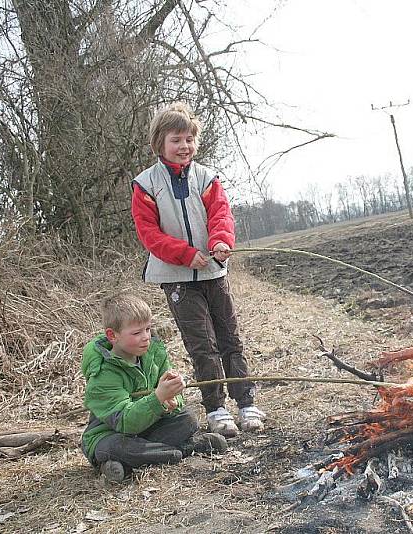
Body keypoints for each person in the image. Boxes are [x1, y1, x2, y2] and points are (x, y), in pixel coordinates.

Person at [130, 102, 265, 437]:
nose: (184, 146)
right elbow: (149, 233)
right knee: (202, 344)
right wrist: (185, 254)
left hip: (213, 271)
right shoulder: (145, 185)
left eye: (189, 139)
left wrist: (221, 241)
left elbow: (221, 214)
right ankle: (217, 408)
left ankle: (246, 402)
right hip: (178, 278)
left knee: (229, 338)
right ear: (160, 142)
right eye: (177, 139)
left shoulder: (207, 178)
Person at [81, 292, 227, 483]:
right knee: (118, 447)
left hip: (149, 427)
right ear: (112, 335)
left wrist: (172, 398)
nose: (146, 338)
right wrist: (158, 397)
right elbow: (126, 422)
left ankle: (130, 463)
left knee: (188, 419)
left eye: (148, 329)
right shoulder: (102, 375)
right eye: (136, 333)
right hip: (110, 434)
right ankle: (183, 450)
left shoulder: (154, 353)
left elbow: (173, 398)